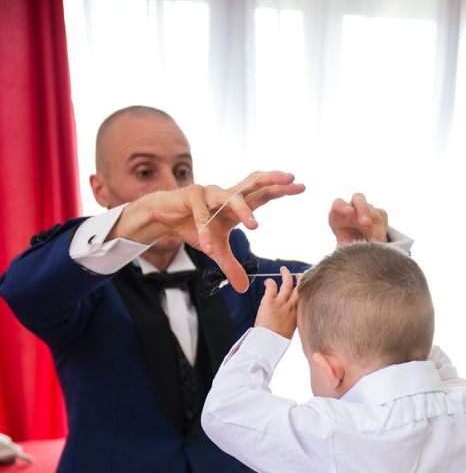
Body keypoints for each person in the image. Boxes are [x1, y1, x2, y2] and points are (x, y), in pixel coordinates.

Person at [0, 106, 408, 473]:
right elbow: (23, 290)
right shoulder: (81, 282)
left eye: (182, 172)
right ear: (100, 189)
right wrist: (145, 215)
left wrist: (364, 255)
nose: (170, 187)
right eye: (145, 172)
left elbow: (340, 294)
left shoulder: (236, 268)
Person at [202, 242, 466, 473]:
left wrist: (269, 334)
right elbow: (412, 342)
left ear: (331, 369)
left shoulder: (335, 434)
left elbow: (223, 411)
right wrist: (376, 264)